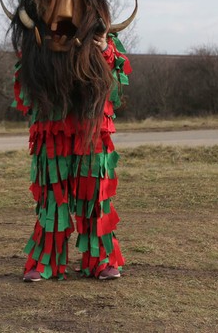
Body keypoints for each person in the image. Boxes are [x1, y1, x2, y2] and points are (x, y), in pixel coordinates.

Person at [14, 28, 131, 281]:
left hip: (92, 124)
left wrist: (104, 49)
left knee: (94, 192)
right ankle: (47, 262)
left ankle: (100, 260)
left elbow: (117, 80)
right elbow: (25, 73)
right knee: (53, 196)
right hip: (52, 123)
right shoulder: (40, 30)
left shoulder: (99, 32)